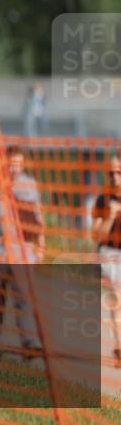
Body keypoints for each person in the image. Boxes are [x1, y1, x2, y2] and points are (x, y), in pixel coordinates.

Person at [0, 145, 45, 359]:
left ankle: (29, 345)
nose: (15, 169)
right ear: (3, 163)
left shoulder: (30, 186)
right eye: (12, 164)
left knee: (25, 301)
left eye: (19, 165)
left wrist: (41, 247)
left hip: (23, 254)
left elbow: (38, 220)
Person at [92, 154, 121, 365]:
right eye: (111, 173)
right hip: (110, 254)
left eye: (118, 172)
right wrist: (111, 216)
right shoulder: (103, 200)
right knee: (116, 300)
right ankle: (119, 347)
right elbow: (96, 236)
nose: (114, 177)